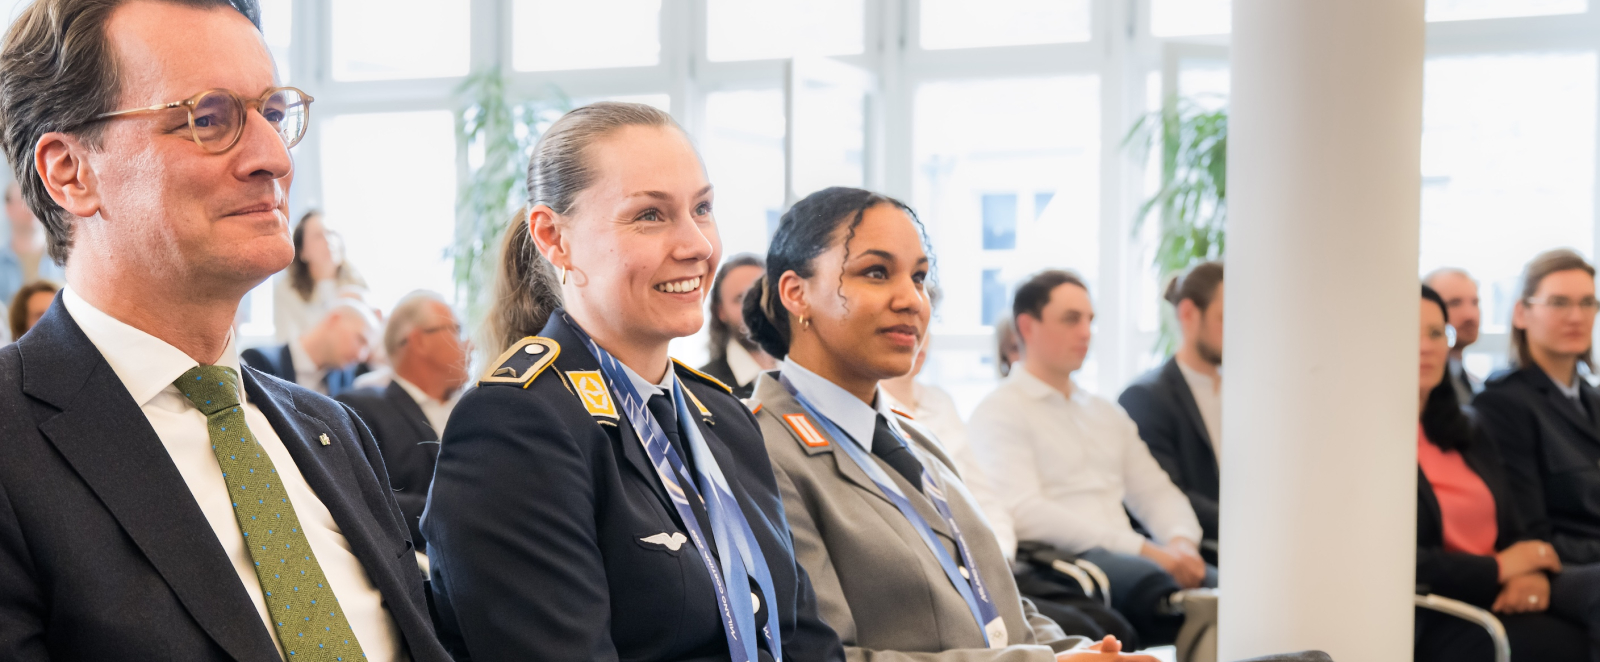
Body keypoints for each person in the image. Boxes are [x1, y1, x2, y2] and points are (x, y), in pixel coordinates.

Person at [0, 0, 449, 659]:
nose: (273, 157)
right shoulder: (14, 442)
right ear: (71, 171)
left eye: (272, 114)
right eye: (209, 119)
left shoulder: (333, 432)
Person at [420, 102, 844, 662]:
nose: (696, 245)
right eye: (650, 215)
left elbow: (801, 638)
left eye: (703, 208)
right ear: (553, 237)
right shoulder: (516, 426)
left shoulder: (724, 418)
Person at [743, 186, 1156, 661]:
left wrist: (1085, 653)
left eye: (919, 277)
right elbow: (822, 656)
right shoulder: (759, 448)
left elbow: (999, 609)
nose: (912, 300)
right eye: (876, 272)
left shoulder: (917, 439)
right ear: (797, 293)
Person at [970, 270, 1212, 647]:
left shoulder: (1104, 412)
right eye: (1071, 319)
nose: (1086, 333)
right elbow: (1024, 510)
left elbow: (1155, 491)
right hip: (1067, 562)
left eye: (1090, 320)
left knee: (1229, 589)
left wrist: (1181, 542)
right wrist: (1148, 551)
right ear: (1027, 326)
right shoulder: (999, 411)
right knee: (1158, 588)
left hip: (1133, 556)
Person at [1415, 285, 1600, 662]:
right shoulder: (1370, 447)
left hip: (1507, 580)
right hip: (1443, 600)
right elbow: (1403, 559)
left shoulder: (1465, 427)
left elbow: (1516, 526)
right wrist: (1500, 568)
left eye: (1436, 333)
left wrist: (1526, 570)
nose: (1426, 346)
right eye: (1410, 332)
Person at [1475, 249, 1600, 565]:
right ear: (1521, 313)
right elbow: (1529, 533)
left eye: (1587, 302)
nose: (1576, 316)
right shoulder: (1504, 403)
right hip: (1568, 569)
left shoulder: (1592, 400)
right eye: (1559, 302)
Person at [336, 290, 468, 553]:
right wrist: (467, 510)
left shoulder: (477, 408)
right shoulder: (360, 409)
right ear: (418, 341)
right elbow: (359, 498)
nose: (470, 344)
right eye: (457, 329)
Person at [1119, 261, 1225, 556]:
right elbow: (1167, 494)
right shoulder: (1146, 397)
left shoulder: (1248, 396)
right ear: (1189, 314)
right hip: (1202, 546)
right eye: (1225, 318)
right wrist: (1250, 523)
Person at [243, 299, 375, 397]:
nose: (361, 356)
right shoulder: (258, 362)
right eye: (360, 339)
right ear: (335, 319)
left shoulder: (345, 379)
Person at [273, 209, 368, 342]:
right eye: (318, 236)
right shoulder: (287, 289)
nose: (328, 240)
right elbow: (286, 343)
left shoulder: (357, 283)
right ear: (302, 252)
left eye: (332, 233)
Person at [702, 252, 776, 397]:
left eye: (761, 293)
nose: (754, 306)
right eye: (740, 298)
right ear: (721, 311)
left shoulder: (801, 374)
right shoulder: (705, 387)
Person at [0, 181, 64, 309]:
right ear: (8, 209)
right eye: (24, 200)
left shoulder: (65, 259)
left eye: (36, 199)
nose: (32, 206)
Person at [1425, 267, 1485, 404]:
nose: (1470, 315)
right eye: (1455, 303)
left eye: (1475, 302)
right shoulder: (1424, 386)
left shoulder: (1472, 383)